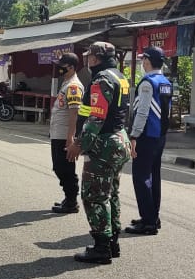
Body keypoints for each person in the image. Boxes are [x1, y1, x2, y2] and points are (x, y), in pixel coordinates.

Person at [67, 42, 131, 264]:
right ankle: (112, 242)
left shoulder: (101, 80)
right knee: (110, 192)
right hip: (119, 139)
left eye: (89, 57)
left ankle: (101, 247)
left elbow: (97, 117)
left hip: (104, 143)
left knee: (94, 195)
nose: (86, 60)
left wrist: (79, 144)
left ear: (95, 58)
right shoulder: (120, 77)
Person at [125, 46, 172, 235]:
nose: (142, 63)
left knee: (141, 177)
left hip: (146, 135)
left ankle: (148, 222)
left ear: (147, 61)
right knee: (154, 176)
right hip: (160, 135)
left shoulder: (147, 83)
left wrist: (134, 135)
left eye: (143, 59)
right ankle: (153, 216)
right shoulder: (166, 81)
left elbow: (142, 112)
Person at [50, 53, 86, 214]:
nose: (59, 69)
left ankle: (72, 202)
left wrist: (70, 137)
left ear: (71, 67)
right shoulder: (66, 83)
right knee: (59, 167)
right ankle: (68, 198)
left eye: (62, 66)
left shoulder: (73, 87)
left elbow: (74, 113)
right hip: (58, 133)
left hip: (64, 134)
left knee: (65, 168)